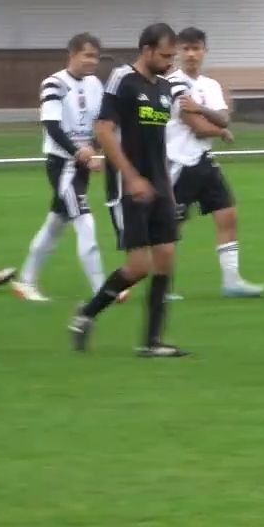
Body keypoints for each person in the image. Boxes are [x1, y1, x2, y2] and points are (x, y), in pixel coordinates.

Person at [67, 23, 189, 357]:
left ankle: (152, 342)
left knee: (165, 258)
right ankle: (86, 314)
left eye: (171, 55)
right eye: (164, 55)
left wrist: (168, 186)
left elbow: (158, 141)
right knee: (138, 267)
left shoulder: (165, 88)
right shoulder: (122, 79)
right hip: (127, 185)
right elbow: (104, 131)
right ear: (147, 50)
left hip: (160, 185)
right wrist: (132, 177)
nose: (169, 61)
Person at [12, 33, 111, 303]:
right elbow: (52, 127)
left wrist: (94, 150)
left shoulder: (94, 84)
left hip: (81, 163)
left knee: (55, 223)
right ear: (72, 54)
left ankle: (26, 281)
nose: (92, 61)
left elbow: (101, 122)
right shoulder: (53, 83)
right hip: (63, 165)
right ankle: (101, 289)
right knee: (85, 222)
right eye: (87, 55)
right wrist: (81, 153)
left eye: (96, 57)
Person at [165, 27, 264, 297]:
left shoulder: (211, 85)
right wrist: (219, 130)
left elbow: (223, 117)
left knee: (227, 214)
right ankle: (163, 288)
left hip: (204, 161)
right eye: (185, 48)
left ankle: (231, 282)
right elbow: (198, 127)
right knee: (172, 227)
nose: (191, 54)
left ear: (205, 51)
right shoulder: (173, 84)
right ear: (177, 52)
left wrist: (203, 110)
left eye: (196, 48)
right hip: (179, 163)